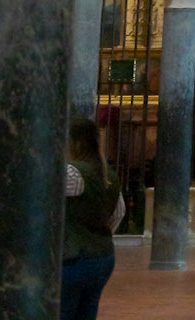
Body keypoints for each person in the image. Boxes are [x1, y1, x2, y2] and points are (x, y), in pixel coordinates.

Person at [61, 117, 122, 320]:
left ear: (74, 143)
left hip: (75, 259)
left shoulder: (72, 173)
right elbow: (118, 214)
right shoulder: (108, 174)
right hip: (103, 257)